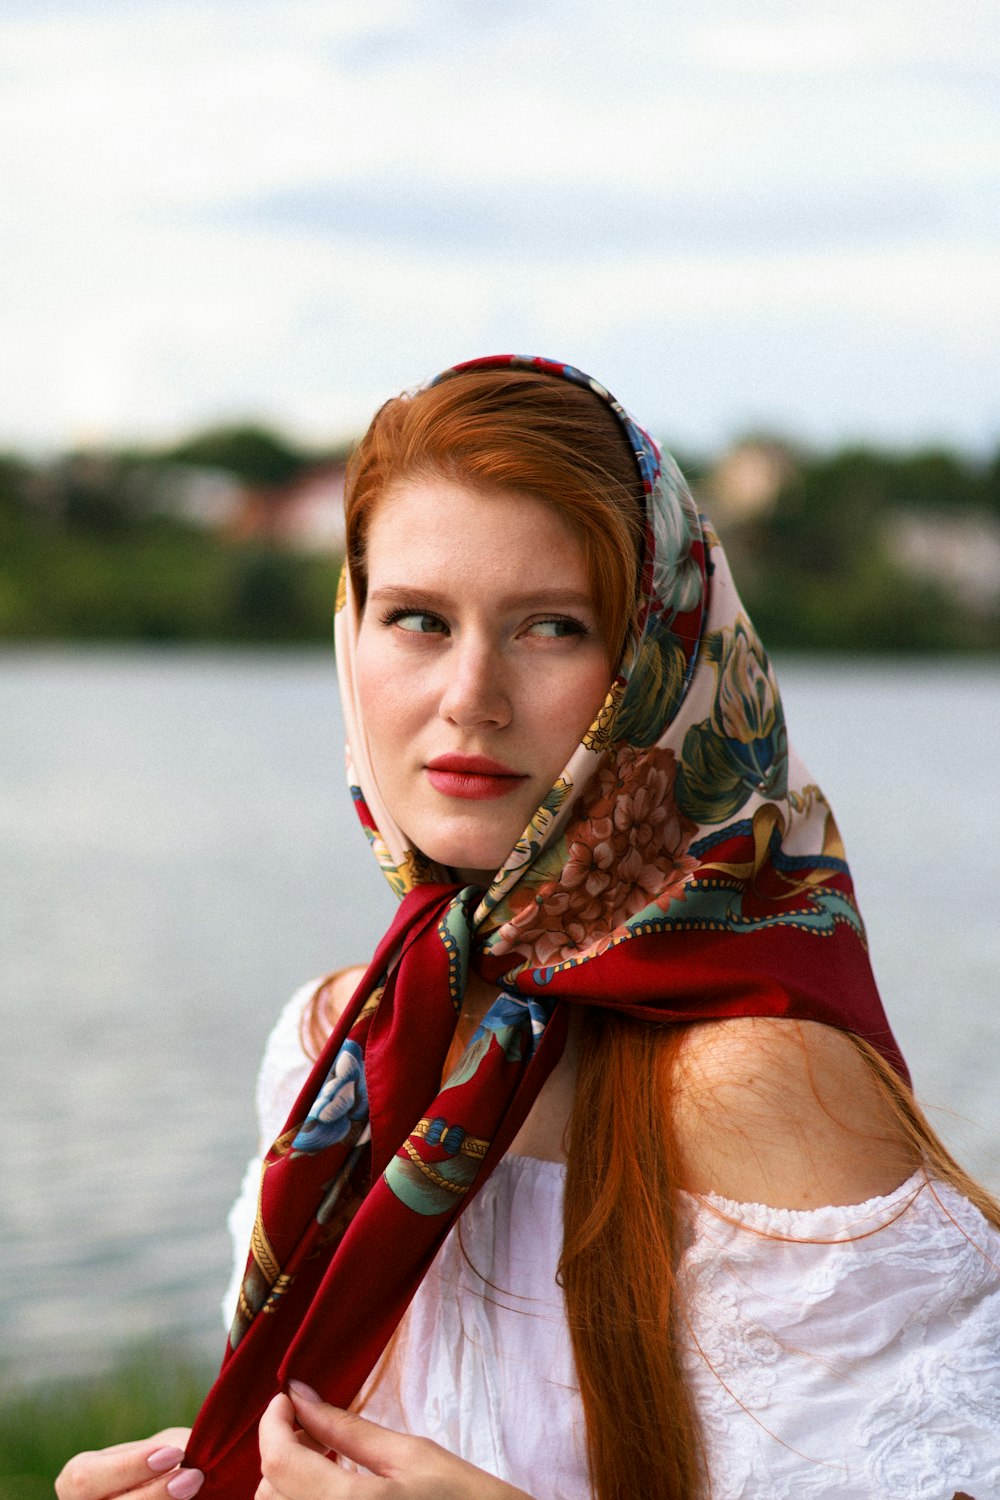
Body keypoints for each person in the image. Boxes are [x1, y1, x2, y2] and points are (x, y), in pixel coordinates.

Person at [57, 356, 1000, 1500]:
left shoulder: (753, 1082)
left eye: (550, 626)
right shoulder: (334, 1042)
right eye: (416, 619)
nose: (470, 695)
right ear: (349, 639)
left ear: (661, 672)